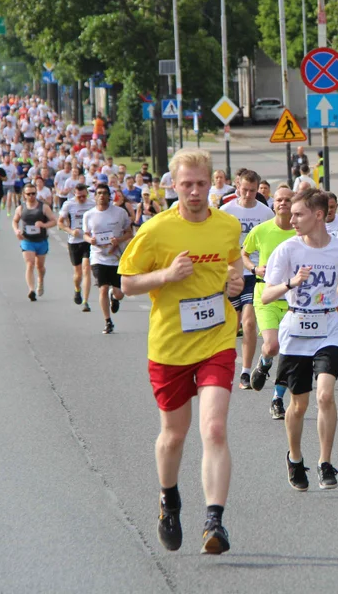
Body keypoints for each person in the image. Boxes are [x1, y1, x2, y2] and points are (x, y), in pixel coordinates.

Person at [118, 149, 244, 555]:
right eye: (186, 184)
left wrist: (236, 281)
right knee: (174, 436)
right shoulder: (156, 230)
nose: (194, 191)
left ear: (212, 183)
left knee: (215, 429)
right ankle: (169, 501)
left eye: (201, 183)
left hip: (217, 338)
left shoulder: (227, 225)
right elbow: (127, 282)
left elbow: (233, 263)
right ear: (173, 185)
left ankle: (214, 522)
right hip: (171, 344)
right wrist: (166, 275)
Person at [261, 189, 338, 491]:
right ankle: (295, 458)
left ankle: (325, 462)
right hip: (296, 331)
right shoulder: (287, 251)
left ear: (318, 215)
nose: (291, 219)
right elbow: (267, 294)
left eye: (298, 214)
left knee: (325, 395)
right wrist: (291, 283)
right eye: (291, 214)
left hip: (328, 329)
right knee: (298, 405)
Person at [244, 184, 298, 419]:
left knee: (288, 350)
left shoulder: (301, 233)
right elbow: (244, 253)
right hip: (265, 295)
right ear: (273, 204)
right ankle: (264, 362)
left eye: (288, 200)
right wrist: (255, 267)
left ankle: (277, 399)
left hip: (294, 299)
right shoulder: (261, 230)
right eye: (279, 200)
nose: (283, 203)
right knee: (273, 346)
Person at [220, 170, 275, 389]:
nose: (249, 194)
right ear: (237, 186)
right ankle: (223, 366)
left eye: (253, 190)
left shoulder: (265, 212)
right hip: (231, 271)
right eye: (245, 189)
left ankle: (245, 372)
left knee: (249, 322)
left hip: (254, 272)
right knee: (231, 325)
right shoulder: (226, 210)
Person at [84, 183, 133, 334]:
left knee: (120, 293)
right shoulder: (89, 215)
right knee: (103, 288)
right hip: (98, 257)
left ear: (109, 196)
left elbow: (129, 232)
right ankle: (108, 321)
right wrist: (89, 240)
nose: (101, 196)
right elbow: (85, 234)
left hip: (116, 257)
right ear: (95, 196)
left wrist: (118, 240)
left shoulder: (119, 213)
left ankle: (114, 296)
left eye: (104, 193)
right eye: (99, 193)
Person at [13, 183, 56, 301]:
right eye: (29, 194)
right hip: (27, 240)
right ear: (24, 195)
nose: (31, 196)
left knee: (40, 266)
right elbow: (15, 221)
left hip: (41, 240)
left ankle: (40, 281)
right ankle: (31, 290)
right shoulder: (21, 208)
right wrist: (17, 230)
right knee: (30, 263)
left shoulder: (43, 207)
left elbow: (54, 221)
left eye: (33, 193)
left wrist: (43, 224)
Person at [59, 182, 96, 311]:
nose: (81, 199)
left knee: (86, 269)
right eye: (79, 196)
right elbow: (60, 223)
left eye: (83, 196)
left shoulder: (92, 203)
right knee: (78, 274)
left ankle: (86, 301)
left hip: (88, 240)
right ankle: (77, 289)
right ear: (74, 194)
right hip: (74, 241)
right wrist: (70, 231)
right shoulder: (68, 204)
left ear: (86, 193)